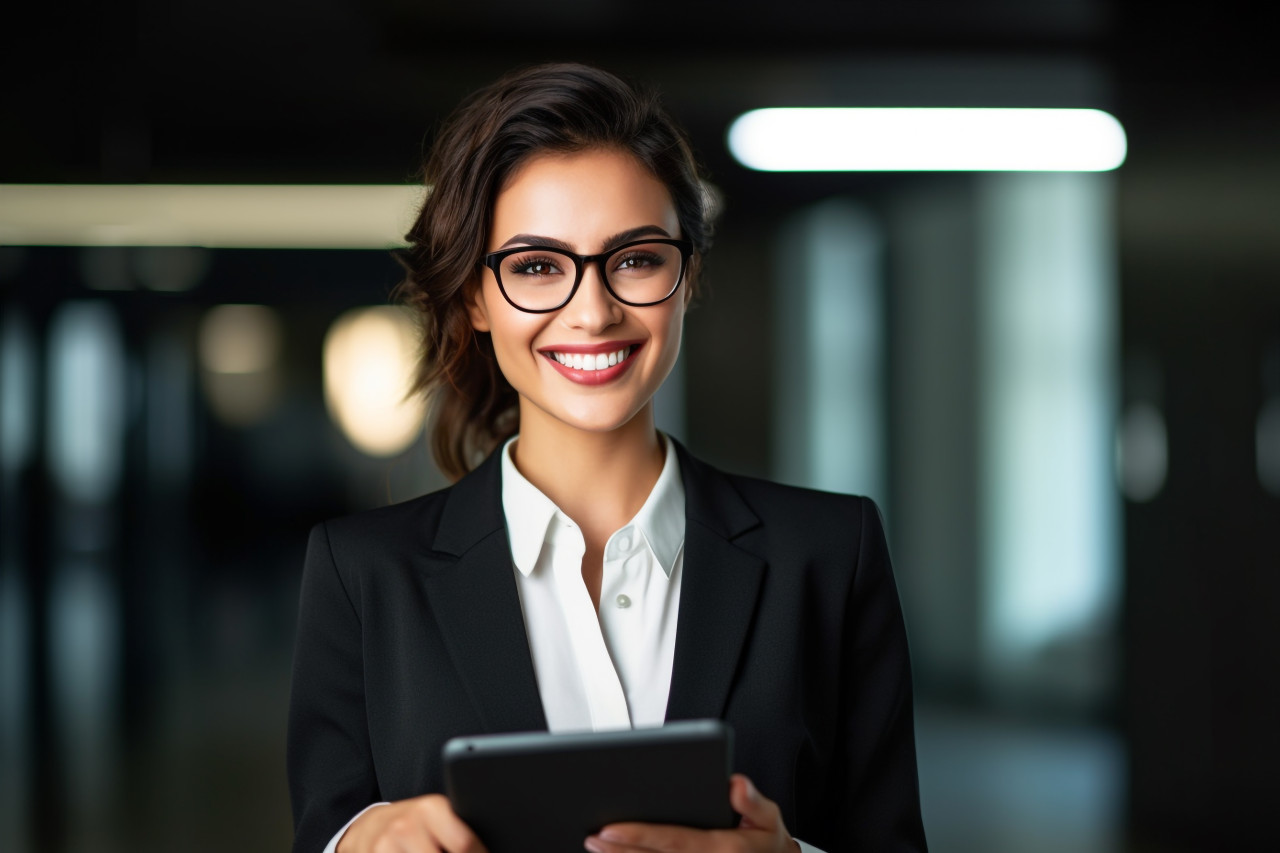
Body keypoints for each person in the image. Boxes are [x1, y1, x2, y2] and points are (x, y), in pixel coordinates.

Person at [287, 62, 927, 853]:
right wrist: (359, 843)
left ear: (687, 274)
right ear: (476, 298)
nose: (592, 312)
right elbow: (326, 828)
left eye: (635, 259)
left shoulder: (829, 556)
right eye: (536, 267)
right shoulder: (361, 576)